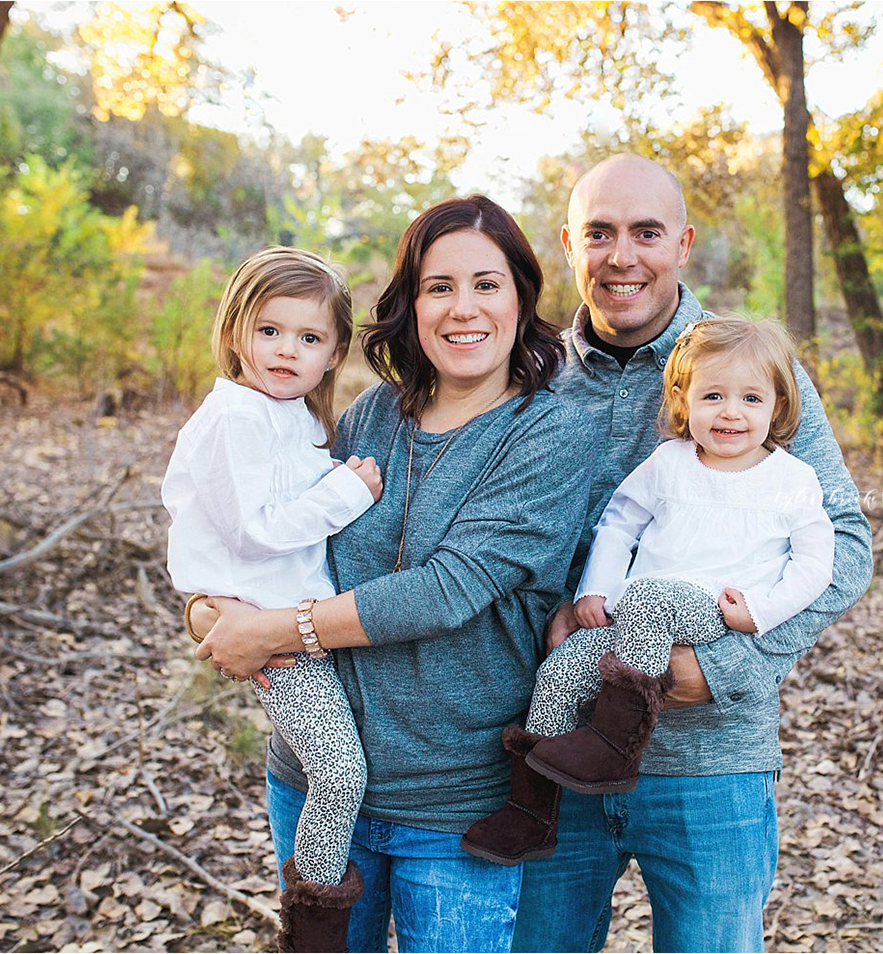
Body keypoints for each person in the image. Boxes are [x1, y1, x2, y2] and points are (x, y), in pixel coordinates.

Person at [190, 195, 595, 953]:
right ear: (411, 304)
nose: (462, 308)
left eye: (487, 283)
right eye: (439, 286)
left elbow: (449, 590)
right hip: (316, 782)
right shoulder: (374, 414)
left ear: (521, 297)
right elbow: (269, 539)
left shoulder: (553, 431)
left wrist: (273, 632)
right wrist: (210, 616)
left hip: (454, 807)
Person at [510, 154, 874, 953]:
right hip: (558, 755)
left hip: (711, 767)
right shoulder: (526, 373)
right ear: (569, 244)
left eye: (646, 232)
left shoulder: (750, 372)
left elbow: (845, 543)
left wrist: (721, 670)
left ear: (684, 243)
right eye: (599, 234)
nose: (622, 256)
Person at [461, 317, 835, 866]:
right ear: (684, 402)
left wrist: (760, 611)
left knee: (654, 597)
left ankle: (614, 744)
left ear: (777, 407)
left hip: (713, 617)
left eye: (750, 398)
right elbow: (618, 521)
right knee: (562, 670)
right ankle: (532, 808)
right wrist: (597, 591)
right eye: (713, 396)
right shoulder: (670, 462)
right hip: (632, 623)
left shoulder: (793, 480)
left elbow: (816, 564)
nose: (730, 412)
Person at [162, 247, 386, 951]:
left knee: (342, 761)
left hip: (293, 624)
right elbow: (257, 532)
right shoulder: (237, 417)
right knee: (340, 770)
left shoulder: (288, 415)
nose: (287, 350)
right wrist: (348, 492)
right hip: (269, 631)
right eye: (270, 331)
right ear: (235, 332)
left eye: (309, 337)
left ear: (334, 354)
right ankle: (314, 923)